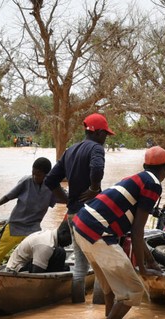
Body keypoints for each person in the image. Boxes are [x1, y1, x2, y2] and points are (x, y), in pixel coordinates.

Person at [72, 147, 165, 319]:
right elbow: (137, 230)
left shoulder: (136, 179)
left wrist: (150, 261)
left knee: (111, 286)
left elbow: (134, 230)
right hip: (98, 231)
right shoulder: (153, 184)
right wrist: (142, 268)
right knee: (133, 290)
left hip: (81, 226)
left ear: (144, 166)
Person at [45, 113, 110, 303]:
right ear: (97, 133)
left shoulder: (70, 151)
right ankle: (99, 310)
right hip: (93, 212)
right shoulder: (96, 148)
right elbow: (97, 168)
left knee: (80, 266)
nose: (105, 138)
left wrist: (67, 199)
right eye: (105, 134)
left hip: (73, 214)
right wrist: (94, 188)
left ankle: (77, 308)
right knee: (100, 265)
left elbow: (50, 180)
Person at [0, 157, 56, 269]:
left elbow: (64, 199)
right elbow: (8, 196)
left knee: (35, 257)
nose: (35, 177)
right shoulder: (26, 181)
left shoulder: (51, 186)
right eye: (33, 173)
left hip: (33, 229)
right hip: (15, 226)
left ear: (46, 175)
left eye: (39, 175)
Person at [5, 220, 72, 273]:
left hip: (27, 263)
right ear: (63, 232)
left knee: (62, 260)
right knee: (60, 253)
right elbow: (37, 273)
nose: (71, 242)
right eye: (71, 238)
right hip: (16, 269)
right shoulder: (46, 244)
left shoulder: (50, 235)